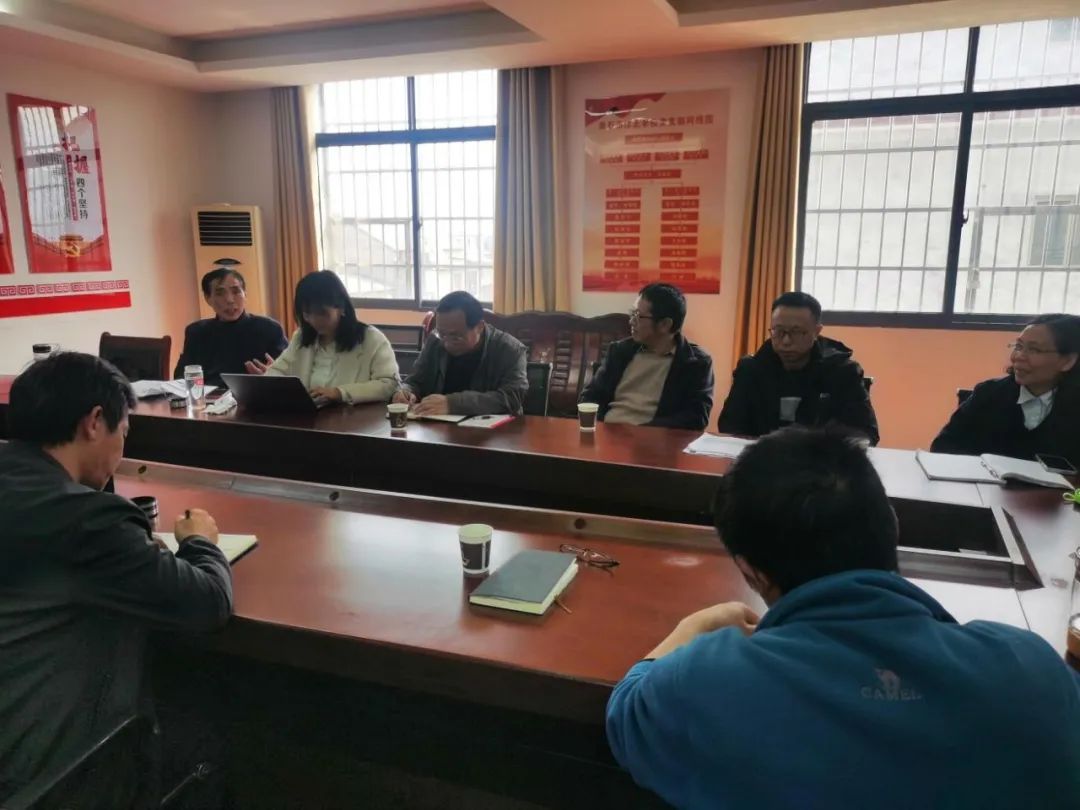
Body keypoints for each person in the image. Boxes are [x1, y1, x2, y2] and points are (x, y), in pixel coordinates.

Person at [606, 427, 1080, 810]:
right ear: (892, 525)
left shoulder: (706, 682)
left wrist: (692, 629)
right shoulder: (1031, 670)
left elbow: (626, 711)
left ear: (751, 572)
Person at [0, 353, 233, 802]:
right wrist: (200, 542)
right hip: (47, 777)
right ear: (94, 422)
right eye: (123, 432)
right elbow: (207, 604)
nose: (122, 453)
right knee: (208, 740)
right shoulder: (86, 521)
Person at [717, 291, 879, 444]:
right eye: (778, 331)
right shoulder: (751, 369)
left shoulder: (842, 371)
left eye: (797, 332)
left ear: (816, 331)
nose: (786, 341)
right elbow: (729, 426)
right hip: (760, 457)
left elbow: (865, 433)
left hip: (820, 460)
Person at [931, 313, 1080, 464]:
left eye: (1034, 350)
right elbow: (943, 446)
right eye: (1018, 346)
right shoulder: (988, 393)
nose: (1018, 356)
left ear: (1067, 361)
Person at [247, 270, 399, 405]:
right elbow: (278, 370)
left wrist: (339, 393)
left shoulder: (371, 339)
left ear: (342, 308)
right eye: (307, 314)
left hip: (355, 421)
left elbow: (389, 384)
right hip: (309, 419)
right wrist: (268, 383)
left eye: (322, 313)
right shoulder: (301, 338)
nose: (314, 320)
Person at [579, 283, 714, 430]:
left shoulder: (695, 363)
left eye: (638, 316)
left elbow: (697, 418)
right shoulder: (619, 351)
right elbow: (590, 396)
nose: (631, 321)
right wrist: (600, 429)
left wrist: (643, 432)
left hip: (654, 439)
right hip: (607, 434)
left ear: (665, 324)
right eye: (632, 313)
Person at [393, 291, 528, 416]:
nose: (446, 343)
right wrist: (406, 391)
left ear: (479, 327)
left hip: (491, 429)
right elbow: (416, 380)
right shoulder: (435, 341)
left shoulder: (509, 349)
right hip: (437, 425)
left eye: (456, 337)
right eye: (442, 334)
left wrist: (453, 404)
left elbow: (512, 397)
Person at [173, 267, 288, 387]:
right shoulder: (196, 332)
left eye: (236, 291)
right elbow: (180, 378)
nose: (229, 300)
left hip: (255, 395)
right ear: (208, 298)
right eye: (220, 293)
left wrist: (272, 378)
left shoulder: (269, 329)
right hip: (208, 397)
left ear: (245, 293)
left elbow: (291, 375)